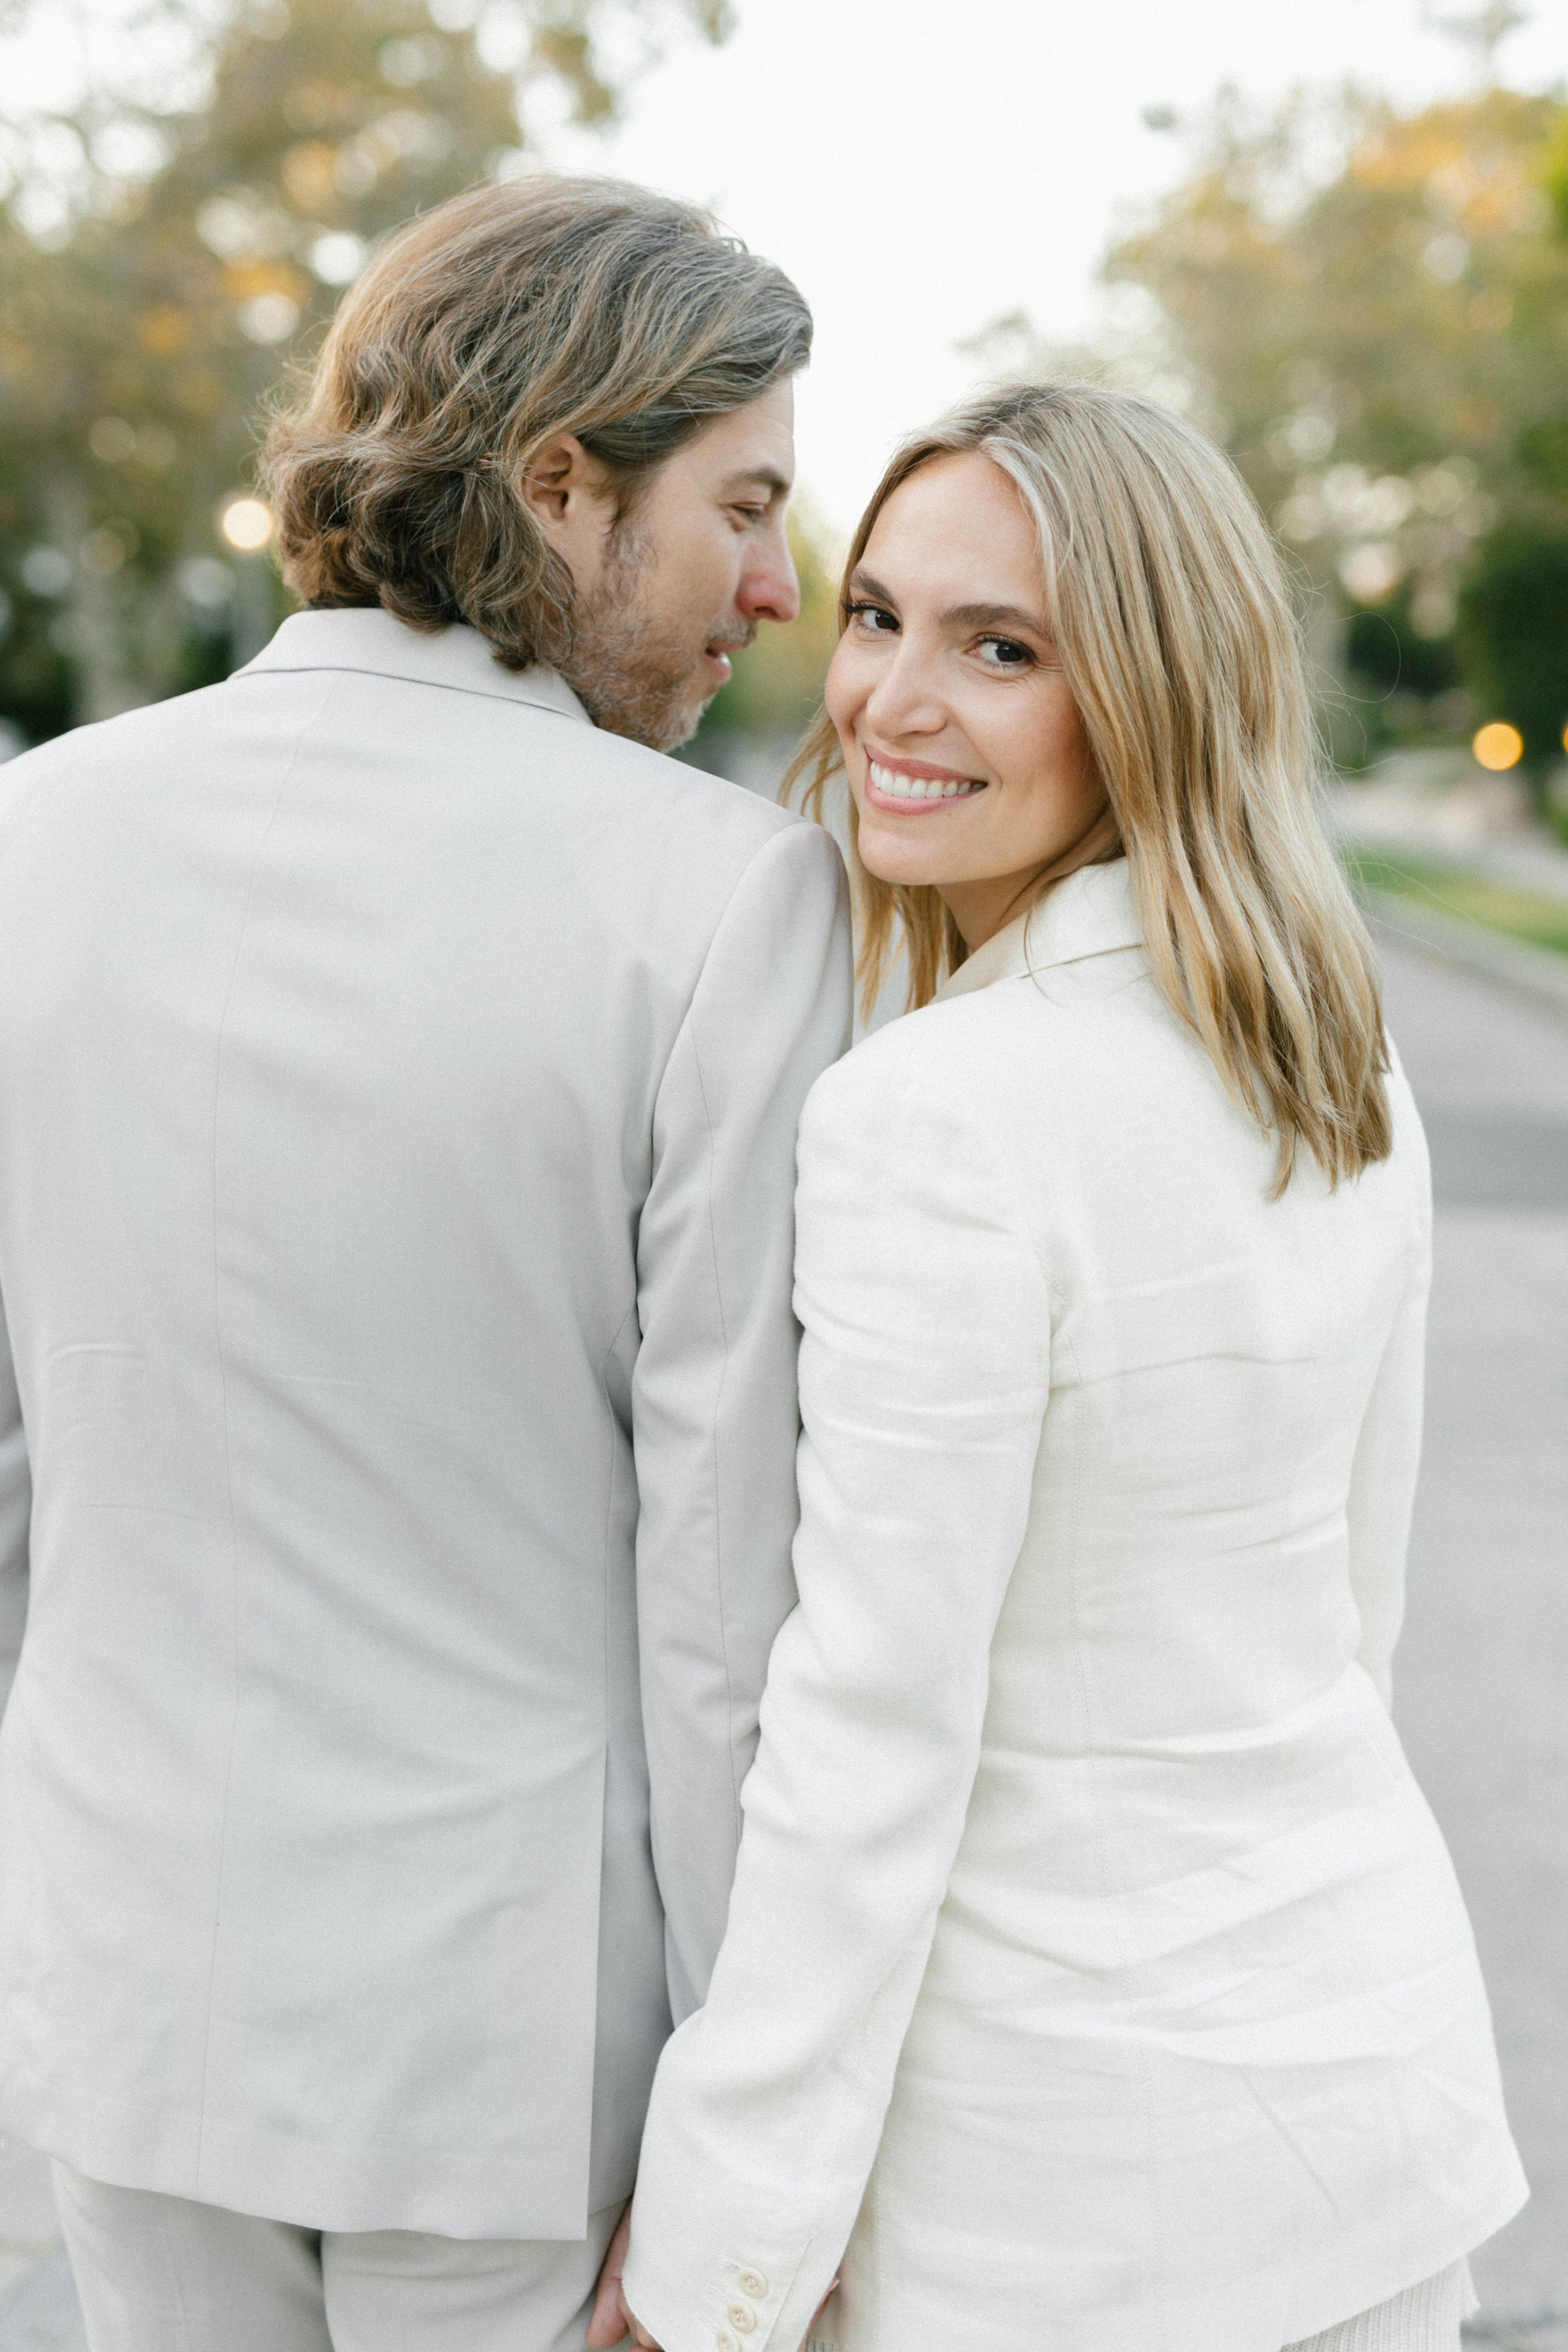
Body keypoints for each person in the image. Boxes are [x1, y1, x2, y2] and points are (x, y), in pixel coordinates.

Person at [0, 176, 850, 2351]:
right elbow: (720, 1598)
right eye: (740, 506)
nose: (774, 587)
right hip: (500, 2054)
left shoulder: (39, 836)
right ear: (562, 483)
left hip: (112, 1990)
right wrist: (756, 2139)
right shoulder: (719, 900)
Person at [612, 383, 1528, 2352]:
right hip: (1368, 2114)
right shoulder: (1334, 1056)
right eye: (876, 617)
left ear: (1152, 695)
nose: (887, 703)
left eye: (999, 648)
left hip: (1076, 2205)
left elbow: (870, 1728)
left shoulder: (934, 1117)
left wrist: (720, 2249)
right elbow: (1343, 1612)